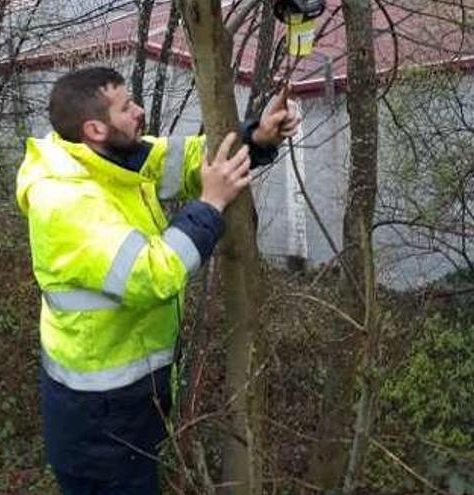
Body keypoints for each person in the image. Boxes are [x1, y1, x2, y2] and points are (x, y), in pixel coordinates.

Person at [16, 66, 300, 494]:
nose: (139, 111)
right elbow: (152, 275)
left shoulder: (109, 158)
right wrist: (209, 205)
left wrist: (256, 137)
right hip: (98, 420)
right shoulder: (65, 201)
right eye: (126, 107)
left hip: (126, 403)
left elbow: (191, 160)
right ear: (95, 128)